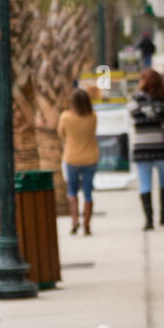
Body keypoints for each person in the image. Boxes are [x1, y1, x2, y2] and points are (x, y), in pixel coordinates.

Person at [131, 68, 164, 230]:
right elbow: (139, 115)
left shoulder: (139, 99)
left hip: (151, 147)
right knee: (157, 182)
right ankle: (154, 218)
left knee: (153, 183)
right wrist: (156, 112)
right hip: (155, 147)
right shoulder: (161, 99)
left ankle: (156, 217)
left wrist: (147, 111)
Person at [57, 88, 99, 236]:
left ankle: (75, 221)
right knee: (88, 192)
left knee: (72, 192)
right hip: (91, 157)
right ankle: (87, 225)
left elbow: (61, 134)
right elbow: (93, 132)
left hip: (72, 157)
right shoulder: (93, 116)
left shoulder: (65, 117)